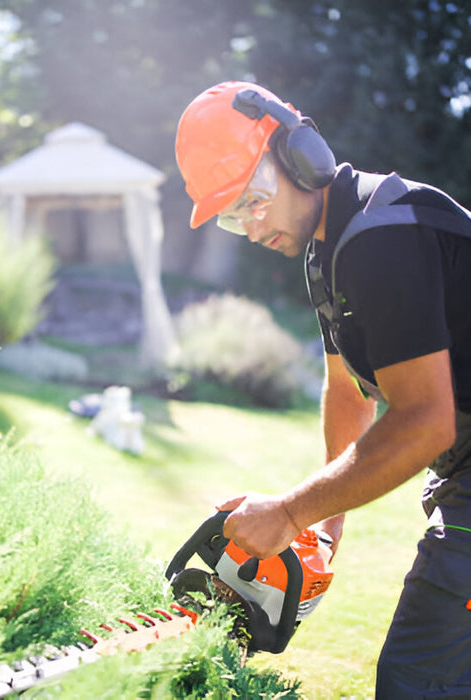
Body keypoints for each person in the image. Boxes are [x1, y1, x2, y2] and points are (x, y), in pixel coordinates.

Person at [174, 80, 471, 698]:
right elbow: (348, 391)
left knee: (418, 677)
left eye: (252, 200)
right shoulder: (328, 251)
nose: (251, 229)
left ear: (301, 156)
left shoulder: (379, 239)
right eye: (233, 218)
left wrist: (288, 513)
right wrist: (326, 524)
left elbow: (424, 421)